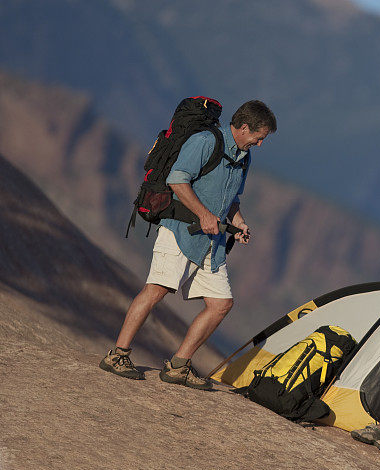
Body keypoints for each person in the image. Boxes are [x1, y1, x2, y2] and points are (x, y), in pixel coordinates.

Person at [100, 100, 277, 390]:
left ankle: (179, 366)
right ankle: (118, 355)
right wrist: (204, 214)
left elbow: (232, 199)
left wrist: (240, 223)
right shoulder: (205, 142)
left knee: (221, 304)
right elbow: (177, 181)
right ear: (244, 127)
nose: (259, 144)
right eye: (259, 137)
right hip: (179, 232)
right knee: (156, 290)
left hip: (213, 242)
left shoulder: (243, 156)